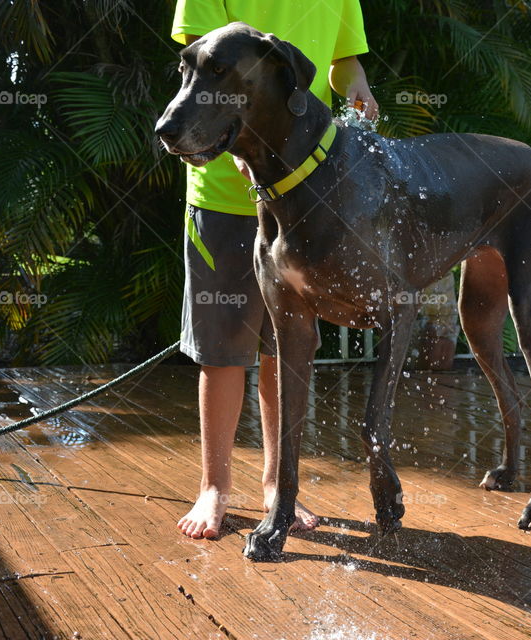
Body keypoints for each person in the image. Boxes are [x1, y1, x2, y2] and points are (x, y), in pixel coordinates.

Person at [170, 0, 379, 539]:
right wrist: (232, 141)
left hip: (307, 194)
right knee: (222, 353)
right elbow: (201, 67)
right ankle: (214, 487)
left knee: (280, 352)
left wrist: (357, 87)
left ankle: (275, 486)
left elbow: (342, 64)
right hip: (222, 197)